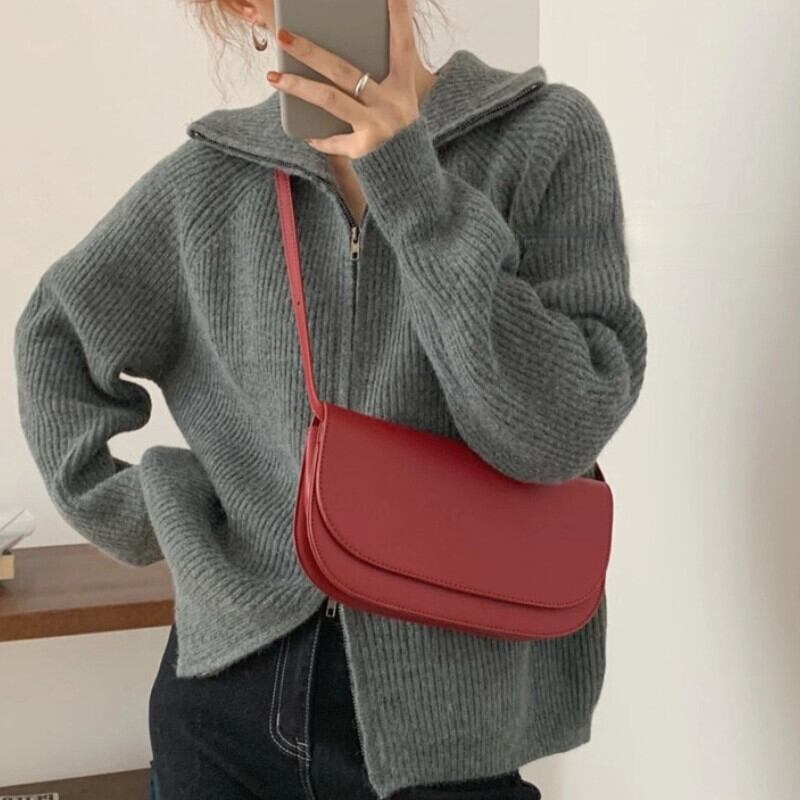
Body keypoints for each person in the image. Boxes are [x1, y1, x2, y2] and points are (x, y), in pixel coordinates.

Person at [13, 0, 648, 797]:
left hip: (448, 731)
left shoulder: (543, 137)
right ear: (247, 7)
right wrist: (161, 515)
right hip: (226, 708)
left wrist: (410, 183)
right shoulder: (209, 179)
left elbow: (553, 433)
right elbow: (56, 337)